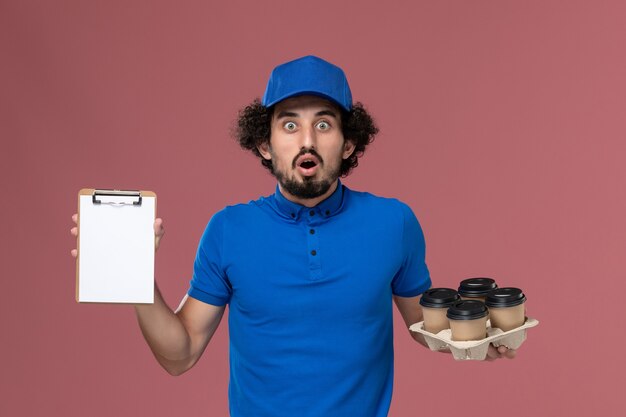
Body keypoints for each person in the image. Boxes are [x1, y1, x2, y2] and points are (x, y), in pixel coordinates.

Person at [70, 55, 514, 417]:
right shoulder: (228, 230)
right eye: (288, 125)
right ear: (264, 144)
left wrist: (478, 337)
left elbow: (425, 325)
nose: (307, 139)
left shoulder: (393, 222)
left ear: (348, 142)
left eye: (323, 124)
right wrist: (136, 276)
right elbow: (180, 354)